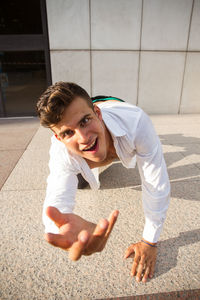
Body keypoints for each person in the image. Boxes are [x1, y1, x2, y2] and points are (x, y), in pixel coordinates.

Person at [36, 82, 170, 283]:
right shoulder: (60, 150)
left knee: (148, 152)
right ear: (58, 137)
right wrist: (62, 229)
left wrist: (149, 241)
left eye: (84, 121)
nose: (83, 138)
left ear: (97, 113)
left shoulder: (136, 122)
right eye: (68, 133)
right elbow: (57, 194)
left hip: (115, 107)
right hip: (94, 125)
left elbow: (155, 182)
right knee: (80, 181)